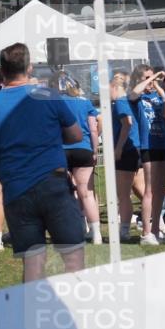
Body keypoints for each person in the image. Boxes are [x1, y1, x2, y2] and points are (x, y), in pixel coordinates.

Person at [0, 43, 85, 281]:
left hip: (15, 189)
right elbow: (76, 135)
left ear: (1, 71)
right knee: (73, 256)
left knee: (33, 262)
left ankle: (32, 305)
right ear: (29, 68)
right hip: (52, 183)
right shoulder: (47, 95)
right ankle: (75, 301)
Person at [130, 65, 165, 245]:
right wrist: (149, 80)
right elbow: (133, 93)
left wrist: (157, 84)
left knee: (160, 190)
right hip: (148, 145)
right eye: (146, 78)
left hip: (163, 144)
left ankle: (155, 230)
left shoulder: (157, 96)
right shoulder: (139, 98)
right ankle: (146, 233)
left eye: (152, 77)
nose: (151, 82)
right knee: (150, 191)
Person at [60, 76, 102, 244]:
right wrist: (94, 150)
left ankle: (77, 229)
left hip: (62, 150)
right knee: (87, 193)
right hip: (83, 148)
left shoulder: (56, 102)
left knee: (67, 192)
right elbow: (93, 129)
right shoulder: (85, 103)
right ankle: (96, 233)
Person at [111, 71, 144, 243]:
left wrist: (118, 148)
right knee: (141, 190)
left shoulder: (121, 102)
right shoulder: (129, 101)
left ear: (115, 87)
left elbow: (127, 124)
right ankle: (158, 222)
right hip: (135, 148)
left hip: (127, 150)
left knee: (123, 194)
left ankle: (124, 231)